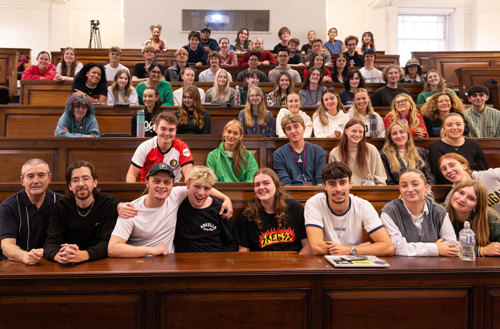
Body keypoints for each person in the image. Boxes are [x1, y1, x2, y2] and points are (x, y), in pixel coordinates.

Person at [109, 163, 233, 256]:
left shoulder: (176, 195)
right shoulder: (130, 209)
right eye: (156, 181)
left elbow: (203, 186)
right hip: (139, 262)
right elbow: (113, 249)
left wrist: (225, 198)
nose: (162, 186)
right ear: (147, 182)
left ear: (173, 185)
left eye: (167, 182)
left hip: (169, 262)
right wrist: (151, 250)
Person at [304, 161, 393, 256]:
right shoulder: (314, 203)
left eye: (342, 183)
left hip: (355, 264)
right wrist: (361, 249)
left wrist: (348, 250)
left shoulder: (363, 205)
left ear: (350, 184)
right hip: (324, 263)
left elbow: (388, 247)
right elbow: (317, 248)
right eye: (332, 184)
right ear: (324, 186)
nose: (338, 189)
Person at [44, 161, 119, 263]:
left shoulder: (108, 204)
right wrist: (59, 256)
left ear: (95, 182)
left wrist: (84, 255)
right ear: (70, 186)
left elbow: (108, 243)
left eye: (86, 178)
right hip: (67, 263)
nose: (81, 184)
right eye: (75, 180)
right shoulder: (60, 207)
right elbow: (50, 243)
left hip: (100, 263)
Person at [380, 169, 458, 257]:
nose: (410, 189)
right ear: (400, 189)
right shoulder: (389, 211)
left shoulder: (439, 211)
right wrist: (435, 248)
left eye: (415, 184)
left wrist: (412, 249)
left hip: (435, 266)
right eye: (404, 185)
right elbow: (396, 247)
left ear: (426, 188)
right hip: (401, 267)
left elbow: (451, 245)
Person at [0, 159, 63, 264]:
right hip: (18, 262)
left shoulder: (61, 203)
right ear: (22, 181)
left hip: (53, 261)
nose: (36, 181)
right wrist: (25, 256)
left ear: (49, 178)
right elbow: (7, 245)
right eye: (30, 176)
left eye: (41, 175)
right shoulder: (9, 206)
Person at [236, 168, 311, 253]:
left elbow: (307, 244)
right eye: (257, 185)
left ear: (276, 185)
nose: (261, 187)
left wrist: (296, 263)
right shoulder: (247, 215)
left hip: (292, 263)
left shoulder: (294, 208)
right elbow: (243, 250)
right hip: (261, 265)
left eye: (266, 183)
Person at [174, 166, 237, 253]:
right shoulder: (178, 203)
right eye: (197, 186)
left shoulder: (221, 209)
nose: (201, 193)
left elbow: (231, 244)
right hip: (186, 262)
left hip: (215, 261)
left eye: (206, 188)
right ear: (188, 184)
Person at [126, 111, 194, 183]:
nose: (167, 133)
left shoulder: (182, 147)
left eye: (171, 130)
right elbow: (131, 175)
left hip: (173, 187)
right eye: (163, 129)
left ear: (175, 131)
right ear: (156, 129)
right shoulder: (145, 147)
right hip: (148, 187)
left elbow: (189, 175)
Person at [429, 113, 489, 184]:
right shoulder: (435, 146)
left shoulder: (474, 144)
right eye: (449, 125)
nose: (454, 127)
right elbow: (442, 173)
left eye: (458, 124)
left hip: (475, 184)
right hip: (449, 186)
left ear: (464, 126)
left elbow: (485, 169)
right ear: (444, 128)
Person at [446, 180, 500, 257]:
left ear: (477, 206)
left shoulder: (492, 219)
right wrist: (481, 250)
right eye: (461, 193)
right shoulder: (438, 212)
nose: (462, 199)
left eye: (471, 198)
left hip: (481, 266)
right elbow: (439, 245)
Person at [328, 119, 387, 185]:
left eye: (360, 132)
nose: (357, 134)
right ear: (346, 131)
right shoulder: (334, 153)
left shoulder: (372, 149)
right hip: (346, 192)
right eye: (354, 131)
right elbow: (333, 180)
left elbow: (380, 178)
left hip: (370, 191)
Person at [273, 114, 325, 186]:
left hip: (315, 192)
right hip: (290, 193)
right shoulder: (278, 154)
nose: (293, 131)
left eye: (296, 126)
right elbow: (285, 182)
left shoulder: (318, 151)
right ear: (285, 133)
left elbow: (320, 180)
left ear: (304, 128)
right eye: (288, 128)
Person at [380, 121, 435, 185]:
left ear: (408, 134)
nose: (399, 136)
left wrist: (424, 191)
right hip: (397, 192)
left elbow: (430, 177)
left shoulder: (421, 152)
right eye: (394, 133)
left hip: (422, 192)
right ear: (390, 137)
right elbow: (388, 181)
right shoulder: (383, 155)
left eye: (402, 132)